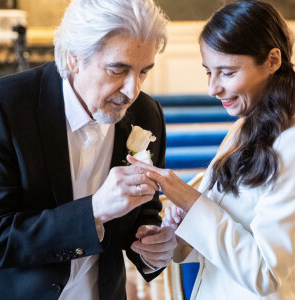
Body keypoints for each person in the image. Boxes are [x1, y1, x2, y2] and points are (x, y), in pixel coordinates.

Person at [0, 0, 177, 299]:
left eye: (144, 71)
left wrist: (153, 245)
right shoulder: (5, 108)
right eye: (118, 70)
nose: (133, 91)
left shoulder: (147, 115)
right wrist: (93, 212)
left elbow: (145, 211)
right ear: (74, 58)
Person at [128, 0, 295, 299]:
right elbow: (224, 237)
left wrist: (192, 202)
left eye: (227, 73)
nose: (212, 88)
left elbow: (266, 275)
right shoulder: (244, 127)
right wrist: (174, 237)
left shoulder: (291, 143)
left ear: (272, 61)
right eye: (209, 72)